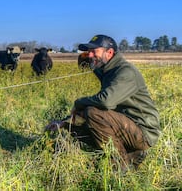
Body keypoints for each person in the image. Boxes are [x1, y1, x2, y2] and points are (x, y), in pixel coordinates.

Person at [46, 34, 161, 169]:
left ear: (110, 52)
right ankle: (133, 154)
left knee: (93, 112)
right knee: (77, 125)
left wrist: (79, 102)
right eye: (89, 51)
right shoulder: (108, 70)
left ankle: (118, 166)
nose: (89, 55)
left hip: (143, 131)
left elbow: (105, 102)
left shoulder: (125, 72)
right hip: (125, 124)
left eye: (94, 51)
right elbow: (100, 103)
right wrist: (64, 123)